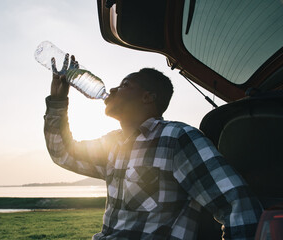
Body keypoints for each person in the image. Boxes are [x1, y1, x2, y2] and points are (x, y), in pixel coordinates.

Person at [43, 56, 262, 239]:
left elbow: (238, 205)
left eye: (125, 85)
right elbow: (63, 153)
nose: (112, 89)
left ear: (148, 98)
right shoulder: (112, 145)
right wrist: (58, 101)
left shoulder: (176, 138)